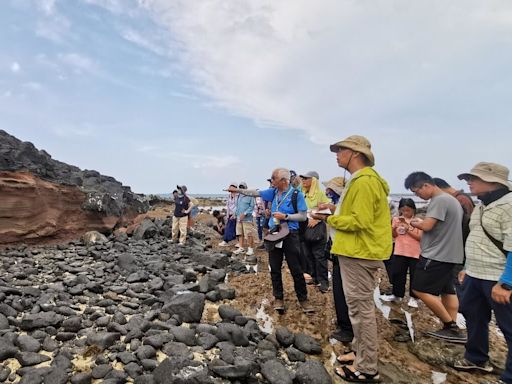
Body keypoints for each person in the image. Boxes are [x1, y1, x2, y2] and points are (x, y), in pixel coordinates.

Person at [314, 135, 392, 383]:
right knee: (358, 309)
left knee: (361, 311)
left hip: (359, 253)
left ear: (355, 154)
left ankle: (367, 368)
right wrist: (335, 210)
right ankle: (360, 354)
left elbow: (360, 221)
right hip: (357, 251)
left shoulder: (364, 181)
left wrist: (329, 219)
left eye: (341, 150)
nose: (337, 154)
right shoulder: (362, 180)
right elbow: (358, 214)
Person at [453, 162, 512, 384]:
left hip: (498, 277)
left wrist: (506, 283)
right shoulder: (482, 204)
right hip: (476, 274)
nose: (469, 182)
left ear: (494, 182)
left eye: (474, 178)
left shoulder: (509, 205)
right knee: (472, 314)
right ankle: (476, 357)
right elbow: (477, 239)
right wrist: (467, 268)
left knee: (508, 326)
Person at [228, 168, 314, 313]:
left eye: (273, 178)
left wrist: (285, 217)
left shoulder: (296, 194)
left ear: (283, 180)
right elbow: (255, 192)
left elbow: (303, 216)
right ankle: (278, 298)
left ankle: (303, 300)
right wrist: (238, 191)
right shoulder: (273, 192)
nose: (271, 181)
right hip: (274, 234)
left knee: (296, 269)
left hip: (290, 235)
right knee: (274, 268)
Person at [404, 172, 466, 343]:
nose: (418, 196)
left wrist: (416, 223)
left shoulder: (439, 200)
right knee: (447, 290)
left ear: (426, 185)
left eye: (416, 192)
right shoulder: (451, 200)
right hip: (452, 254)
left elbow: (428, 226)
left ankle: (450, 326)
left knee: (419, 289)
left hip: (437, 254)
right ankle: (452, 326)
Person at [319, 177, 354, 343]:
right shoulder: (341, 203)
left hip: (346, 251)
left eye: (331, 189)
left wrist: (326, 217)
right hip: (339, 248)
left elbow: (347, 221)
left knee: (343, 292)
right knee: (339, 290)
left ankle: (348, 329)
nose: (328, 192)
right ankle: (344, 325)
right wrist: (329, 208)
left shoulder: (347, 202)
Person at [381, 198, 422, 308]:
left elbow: (420, 237)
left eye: (408, 210)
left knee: (415, 276)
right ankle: (397, 295)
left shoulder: (418, 221)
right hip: (399, 251)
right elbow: (394, 236)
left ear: (413, 210)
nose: (405, 213)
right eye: (403, 210)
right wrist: (394, 228)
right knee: (397, 274)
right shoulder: (396, 220)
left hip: (414, 252)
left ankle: (414, 298)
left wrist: (407, 228)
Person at [300, 171, 331, 292]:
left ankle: (323, 282)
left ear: (313, 181)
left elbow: (329, 208)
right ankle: (313, 277)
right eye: (303, 179)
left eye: (306, 179)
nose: (303, 181)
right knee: (307, 253)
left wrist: (317, 219)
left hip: (316, 227)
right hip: (304, 226)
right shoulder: (302, 194)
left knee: (319, 255)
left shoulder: (320, 194)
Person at [233, 182, 257, 256]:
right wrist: (235, 214)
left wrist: (245, 213)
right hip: (239, 218)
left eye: (243, 187)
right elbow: (237, 206)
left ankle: (251, 249)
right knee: (240, 233)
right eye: (240, 187)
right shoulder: (239, 196)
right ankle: (241, 247)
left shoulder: (250, 196)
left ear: (246, 188)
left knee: (249, 234)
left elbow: (252, 206)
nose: (241, 189)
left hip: (247, 219)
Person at [218, 182, 238, 246]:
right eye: (230, 187)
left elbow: (238, 206)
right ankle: (226, 240)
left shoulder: (238, 196)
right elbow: (228, 206)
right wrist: (227, 215)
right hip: (230, 214)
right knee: (229, 227)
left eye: (232, 187)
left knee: (235, 228)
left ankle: (227, 241)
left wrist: (235, 214)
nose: (230, 189)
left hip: (236, 214)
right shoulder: (229, 196)